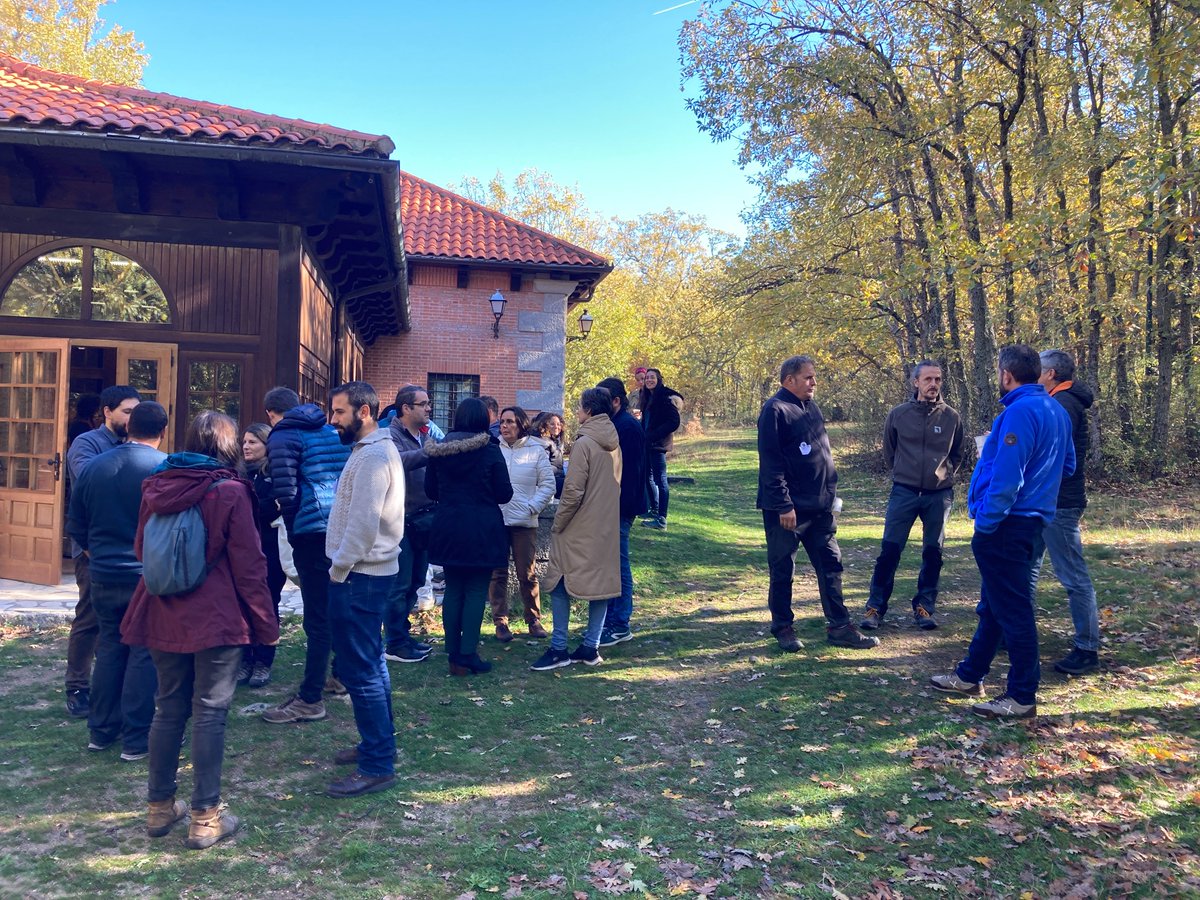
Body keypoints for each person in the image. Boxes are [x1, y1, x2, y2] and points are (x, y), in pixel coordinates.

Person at [121, 411, 278, 849]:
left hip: (162, 608)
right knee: (210, 712)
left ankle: (159, 808)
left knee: (168, 708)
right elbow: (251, 566)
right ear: (229, 446)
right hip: (216, 616)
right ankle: (205, 818)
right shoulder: (231, 491)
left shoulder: (156, 486)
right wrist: (266, 625)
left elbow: (141, 547)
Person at [931, 344, 1074, 719]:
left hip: (1009, 524)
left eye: (998, 373)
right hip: (1032, 522)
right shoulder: (1055, 409)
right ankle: (969, 675)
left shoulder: (1020, 411)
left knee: (1013, 611)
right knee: (994, 606)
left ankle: (1022, 696)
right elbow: (1069, 465)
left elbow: (1009, 477)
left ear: (1006, 375)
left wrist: (989, 523)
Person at [66, 401, 168, 761]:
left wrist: (98, 557)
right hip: (146, 574)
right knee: (143, 651)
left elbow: (75, 525)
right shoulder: (165, 468)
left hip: (104, 572)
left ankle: (101, 730)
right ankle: (136, 739)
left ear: (128, 427)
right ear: (163, 430)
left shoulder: (94, 467)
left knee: (110, 647)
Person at [757, 355, 878, 652]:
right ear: (789, 380)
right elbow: (771, 465)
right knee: (783, 569)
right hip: (788, 511)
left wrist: (831, 496)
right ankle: (783, 627)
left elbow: (822, 455)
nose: (814, 382)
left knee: (831, 566)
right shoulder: (775, 410)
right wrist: (784, 505)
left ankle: (839, 627)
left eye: (814, 377)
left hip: (820, 508)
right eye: (808, 377)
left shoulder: (813, 409)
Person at [324, 381, 406, 798]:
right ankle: (379, 745)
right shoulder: (368, 451)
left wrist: (339, 568)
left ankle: (378, 764)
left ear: (365, 412)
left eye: (339, 412)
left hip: (361, 575)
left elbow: (362, 525)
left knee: (361, 669)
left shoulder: (374, 455)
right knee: (371, 662)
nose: (332, 419)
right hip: (367, 573)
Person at [261, 387, 351, 725]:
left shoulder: (283, 436)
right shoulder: (330, 430)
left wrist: (293, 525)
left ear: (272, 413)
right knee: (339, 605)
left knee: (316, 615)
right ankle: (341, 675)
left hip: (310, 531)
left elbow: (285, 491)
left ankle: (310, 697)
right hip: (339, 526)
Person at [861, 361, 965, 632]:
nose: (934, 384)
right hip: (904, 492)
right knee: (890, 551)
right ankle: (875, 607)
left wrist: (945, 475)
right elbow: (889, 451)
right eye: (928, 379)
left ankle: (924, 607)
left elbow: (957, 455)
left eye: (938, 380)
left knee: (933, 553)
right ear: (915, 382)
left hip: (938, 495)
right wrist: (902, 473)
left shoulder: (951, 416)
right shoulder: (898, 414)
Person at [63, 385, 141, 719]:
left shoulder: (136, 445)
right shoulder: (86, 444)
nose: (131, 418)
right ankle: (77, 687)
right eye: (126, 411)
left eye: (136, 413)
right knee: (89, 616)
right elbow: (91, 485)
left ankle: (117, 686)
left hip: (130, 548)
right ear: (107, 412)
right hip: (94, 548)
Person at [531, 387, 623, 672]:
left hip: (579, 524)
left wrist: (559, 522)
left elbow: (573, 491)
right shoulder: (614, 441)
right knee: (600, 585)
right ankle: (590, 647)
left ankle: (559, 649)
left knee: (559, 582)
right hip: (605, 524)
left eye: (580, 407)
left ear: (590, 410)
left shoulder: (584, 443)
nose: (577, 412)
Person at [425, 398, 513, 675]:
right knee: (476, 590)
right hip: (482, 527)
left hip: (448, 524)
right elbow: (504, 493)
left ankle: (453, 653)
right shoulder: (489, 449)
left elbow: (430, 490)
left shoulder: (440, 449)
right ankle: (467, 654)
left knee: (452, 589)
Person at [1030, 349, 1101, 675]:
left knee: (1074, 577)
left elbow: (1054, 456)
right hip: (1045, 501)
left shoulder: (1062, 405)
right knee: (1026, 567)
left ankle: (1087, 649)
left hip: (1059, 504)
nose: (1034, 376)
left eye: (1039, 371)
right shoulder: (1060, 402)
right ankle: (1014, 630)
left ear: (1051, 374)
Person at [489, 406, 555, 641]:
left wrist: (532, 507)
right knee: (497, 573)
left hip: (524, 522)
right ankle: (500, 622)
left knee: (526, 573)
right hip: (497, 520)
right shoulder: (493, 449)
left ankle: (534, 619)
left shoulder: (536, 451)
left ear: (521, 424)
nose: (504, 426)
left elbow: (548, 485)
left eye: (510, 422)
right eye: (502, 422)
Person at [383, 385, 437, 664]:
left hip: (423, 520)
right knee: (399, 584)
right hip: (401, 522)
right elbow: (396, 461)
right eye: (423, 404)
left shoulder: (423, 435)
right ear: (406, 408)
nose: (429, 408)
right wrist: (431, 453)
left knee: (416, 581)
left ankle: (402, 636)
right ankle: (394, 643)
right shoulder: (390, 435)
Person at [596, 377, 647, 647]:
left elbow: (629, 474)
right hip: (611, 506)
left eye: (604, 399)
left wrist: (616, 508)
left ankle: (619, 623)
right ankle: (610, 619)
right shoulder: (616, 424)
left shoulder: (626, 427)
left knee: (618, 565)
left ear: (616, 401)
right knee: (611, 564)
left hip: (620, 507)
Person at [238, 423, 288, 688]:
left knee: (267, 604)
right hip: (243, 549)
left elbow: (271, 509)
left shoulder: (276, 474)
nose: (246, 446)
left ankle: (263, 662)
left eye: (253, 442)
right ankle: (245, 659)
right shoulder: (239, 474)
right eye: (244, 442)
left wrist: (253, 509)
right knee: (243, 605)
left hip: (270, 550)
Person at [639, 368, 682, 530]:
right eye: (647, 378)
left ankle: (662, 519)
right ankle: (654, 510)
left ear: (658, 379)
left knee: (660, 480)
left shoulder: (664, 397)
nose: (649, 380)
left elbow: (673, 422)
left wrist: (655, 435)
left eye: (652, 377)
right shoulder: (647, 396)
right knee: (647, 477)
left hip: (657, 445)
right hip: (647, 444)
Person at [530, 411, 565, 498]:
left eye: (558, 424)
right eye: (552, 424)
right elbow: (543, 468)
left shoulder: (554, 441)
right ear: (545, 426)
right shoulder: (544, 443)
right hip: (549, 483)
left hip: (555, 479)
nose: (556, 427)